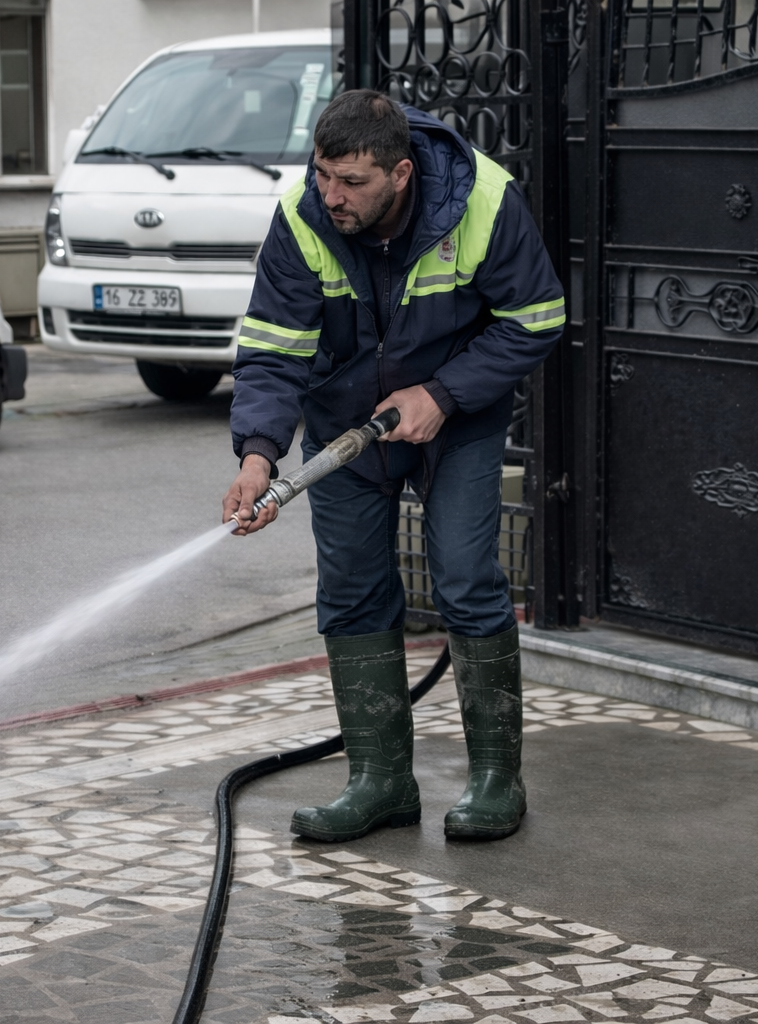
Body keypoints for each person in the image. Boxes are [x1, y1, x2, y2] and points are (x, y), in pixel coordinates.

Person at [222, 90, 564, 843]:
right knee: (351, 589)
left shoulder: (485, 201)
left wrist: (443, 393)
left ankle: (496, 781)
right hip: (345, 422)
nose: (331, 195)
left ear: (401, 173)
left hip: (456, 418)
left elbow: (535, 318)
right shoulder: (303, 217)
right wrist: (257, 453)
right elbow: (273, 348)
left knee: (465, 578)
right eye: (323, 175)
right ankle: (380, 781)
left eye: (352, 182)